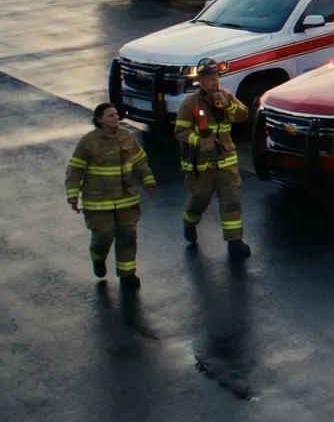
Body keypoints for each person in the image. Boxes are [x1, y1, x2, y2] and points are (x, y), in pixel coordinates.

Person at [66, 103, 156, 289]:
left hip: (126, 198)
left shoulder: (127, 137)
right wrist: (73, 195)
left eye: (116, 114)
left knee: (127, 237)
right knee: (103, 235)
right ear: (99, 119)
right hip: (98, 201)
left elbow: (140, 161)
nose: (115, 118)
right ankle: (97, 256)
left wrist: (148, 181)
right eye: (110, 115)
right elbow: (75, 169)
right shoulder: (88, 142)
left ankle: (127, 275)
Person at [175, 59, 251, 259]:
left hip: (225, 160)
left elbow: (243, 115)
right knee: (200, 200)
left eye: (215, 76)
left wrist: (228, 106)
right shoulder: (190, 103)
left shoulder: (225, 97)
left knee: (232, 200)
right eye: (208, 78)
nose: (213, 81)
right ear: (200, 80)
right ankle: (190, 221)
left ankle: (234, 241)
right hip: (201, 164)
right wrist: (199, 141)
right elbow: (181, 131)